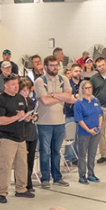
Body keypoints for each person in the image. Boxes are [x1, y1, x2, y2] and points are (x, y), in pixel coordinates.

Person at [0, 73, 35, 204]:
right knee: (5, 166)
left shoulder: (20, 98)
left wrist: (27, 117)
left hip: (20, 137)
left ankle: (21, 189)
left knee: (22, 165)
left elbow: (23, 114)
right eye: (13, 85)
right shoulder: (0, 100)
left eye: (17, 84)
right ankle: (2, 192)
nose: (16, 87)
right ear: (5, 85)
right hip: (6, 138)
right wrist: (15, 118)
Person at [33, 58, 74, 188]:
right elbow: (44, 101)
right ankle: (45, 178)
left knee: (56, 152)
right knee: (45, 152)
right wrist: (60, 97)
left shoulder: (63, 80)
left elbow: (69, 97)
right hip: (44, 123)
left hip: (60, 122)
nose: (54, 68)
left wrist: (52, 94)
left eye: (56, 65)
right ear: (46, 67)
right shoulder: (40, 81)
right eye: (51, 65)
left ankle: (57, 177)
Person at [71, 80, 102, 185]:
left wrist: (99, 127)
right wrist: (88, 130)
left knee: (92, 154)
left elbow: (100, 115)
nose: (89, 90)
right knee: (82, 155)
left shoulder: (95, 100)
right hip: (84, 132)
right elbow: (79, 119)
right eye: (86, 88)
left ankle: (91, 173)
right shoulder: (79, 103)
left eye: (90, 87)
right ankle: (82, 175)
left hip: (96, 132)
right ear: (82, 89)